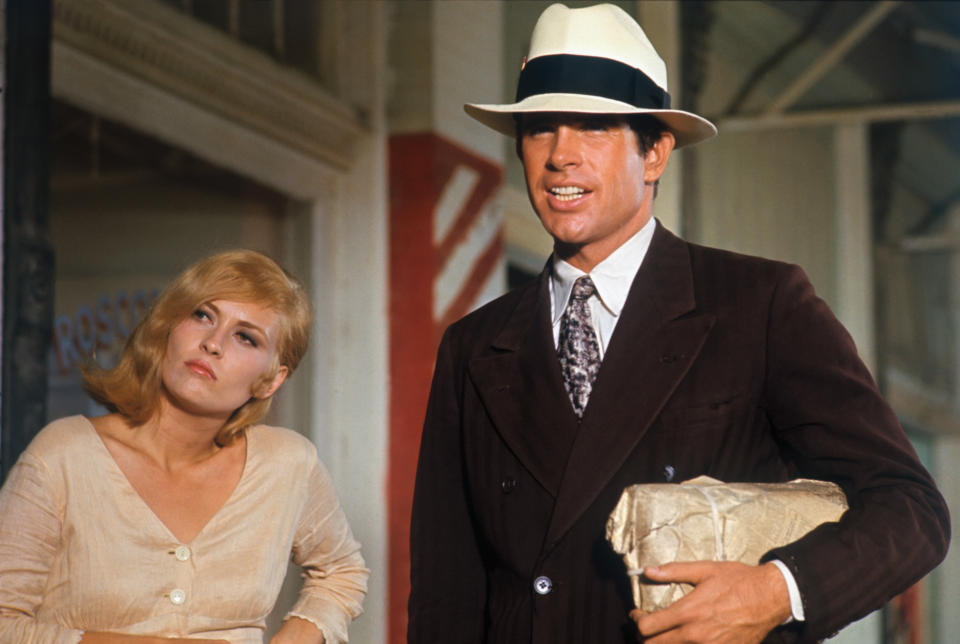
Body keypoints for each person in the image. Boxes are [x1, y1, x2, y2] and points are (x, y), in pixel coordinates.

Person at [407, 4, 950, 643]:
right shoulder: (474, 347)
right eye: (539, 128)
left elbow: (911, 510)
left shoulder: (759, 305)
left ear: (657, 151)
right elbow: (447, 594)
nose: (560, 156)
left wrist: (778, 590)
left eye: (594, 126)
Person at [0, 250, 369, 644]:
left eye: (245, 337)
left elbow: (342, 572)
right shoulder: (63, 455)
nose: (213, 343)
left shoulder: (289, 463)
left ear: (270, 381)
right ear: (167, 328)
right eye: (202, 315)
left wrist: (295, 637)